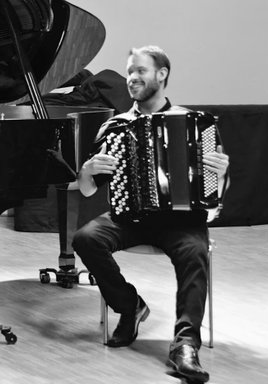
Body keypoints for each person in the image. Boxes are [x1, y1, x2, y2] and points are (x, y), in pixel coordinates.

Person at [72, 46, 229, 383]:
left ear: (162, 74)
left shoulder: (196, 123)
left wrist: (221, 172)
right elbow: (87, 189)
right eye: (130, 72)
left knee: (195, 253)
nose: (132, 78)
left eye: (140, 71)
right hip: (129, 218)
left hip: (180, 221)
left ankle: (185, 345)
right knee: (85, 238)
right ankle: (130, 308)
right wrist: (87, 170)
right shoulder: (116, 127)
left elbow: (216, 191)